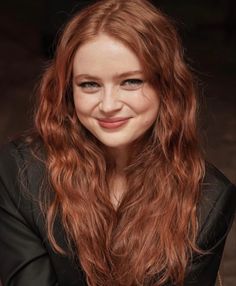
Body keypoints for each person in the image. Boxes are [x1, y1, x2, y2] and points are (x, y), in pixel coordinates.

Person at [0, 0, 235, 285]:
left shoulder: (209, 200)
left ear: (168, 87)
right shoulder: (19, 173)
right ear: (67, 91)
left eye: (131, 82)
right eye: (89, 84)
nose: (108, 105)